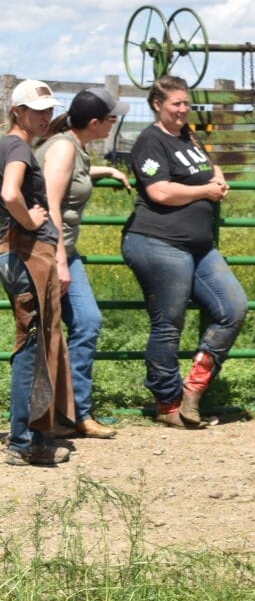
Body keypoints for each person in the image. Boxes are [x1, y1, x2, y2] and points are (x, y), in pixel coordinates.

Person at [121, 76, 248, 429]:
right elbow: (159, 192)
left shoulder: (186, 136)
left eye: (186, 103)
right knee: (168, 324)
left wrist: (217, 180)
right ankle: (167, 402)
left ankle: (193, 390)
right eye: (176, 103)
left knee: (233, 307)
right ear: (157, 104)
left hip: (198, 246)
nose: (182, 109)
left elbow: (207, 167)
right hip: (158, 241)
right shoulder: (150, 141)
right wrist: (205, 191)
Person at [39, 87, 133, 441]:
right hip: (52, 253)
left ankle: (72, 411)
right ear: (95, 123)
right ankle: (64, 414)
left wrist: (103, 169)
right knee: (65, 328)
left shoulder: (70, 146)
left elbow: (68, 177)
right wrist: (61, 260)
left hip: (59, 252)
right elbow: (50, 203)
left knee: (81, 324)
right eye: (111, 118)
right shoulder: (64, 148)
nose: (113, 123)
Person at [2, 80, 74, 466]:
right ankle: (23, 442)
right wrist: (28, 218)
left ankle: (30, 437)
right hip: (26, 253)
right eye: (37, 110)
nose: (45, 116)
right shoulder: (16, 146)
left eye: (48, 109)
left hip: (22, 253)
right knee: (31, 344)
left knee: (32, 342)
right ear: (18, 112)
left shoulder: (11, 145)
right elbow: (11, 193)